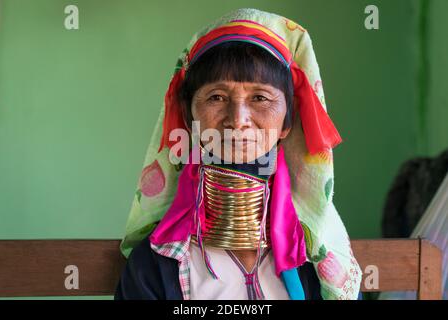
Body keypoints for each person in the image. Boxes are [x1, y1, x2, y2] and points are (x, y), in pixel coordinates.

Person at [115, 8, 362, 300]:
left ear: (288, 120)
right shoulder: (156, 264)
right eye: (216, 97)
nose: (238, 118)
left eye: (260, 98)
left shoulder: (320, 265)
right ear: (187, 113)